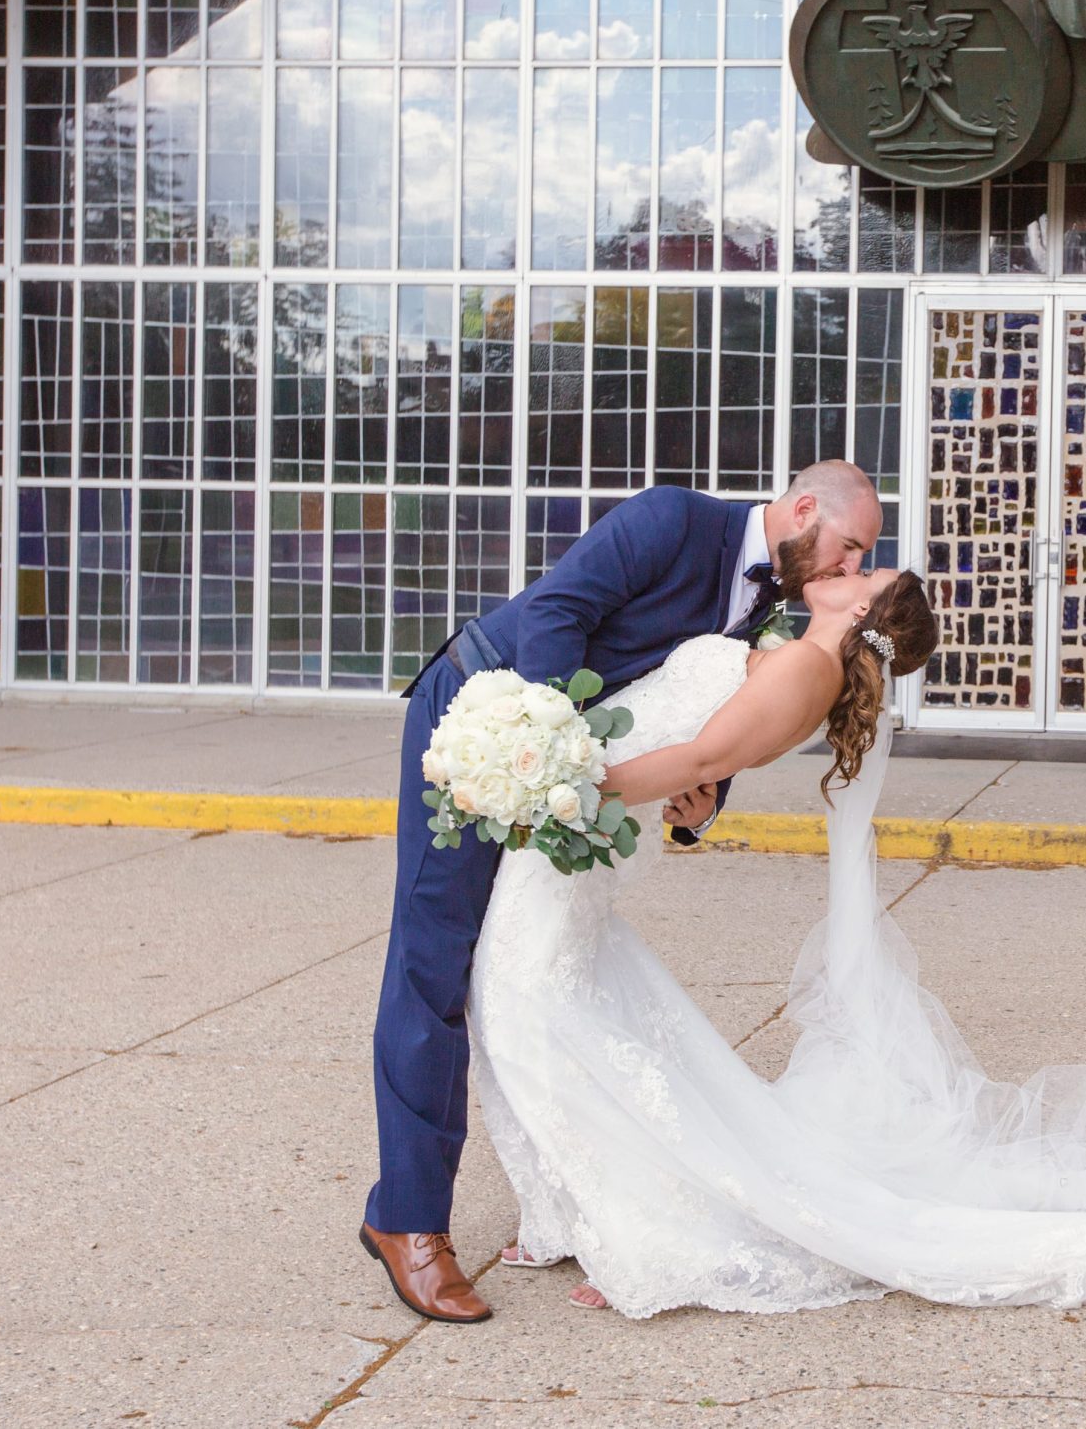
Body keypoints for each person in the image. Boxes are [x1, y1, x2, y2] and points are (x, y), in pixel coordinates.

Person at [467, 567, 1086, 1317]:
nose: (847, 565)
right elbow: (703, 750)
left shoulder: (807, 664)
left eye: (863, 568)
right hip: (583, 819)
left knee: (520, 1003)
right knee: (542, 1003)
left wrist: (557, 779)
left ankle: (637, 1226)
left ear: (866, 606)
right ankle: (563, 1211)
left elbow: (707, 748)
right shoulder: (798, 651)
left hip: (578, 808)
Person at [360, 464, 885, 1324]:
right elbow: (557, 612)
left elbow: (709, 719)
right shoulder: (671, 519)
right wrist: (545, 751)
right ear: (801, 510)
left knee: (514, 968)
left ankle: (547, 1198)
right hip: (481, 715)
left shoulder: (771, 602)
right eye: (849, 545)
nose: (848, 566)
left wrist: (703, 802)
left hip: (564, 775)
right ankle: (408, 1221)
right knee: (433, 962)